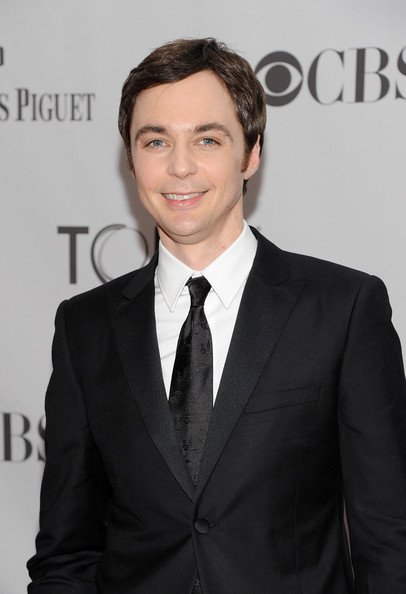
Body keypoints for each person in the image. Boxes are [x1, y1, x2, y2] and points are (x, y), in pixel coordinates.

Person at [27, 38, 406, 594]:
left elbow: (391, 540)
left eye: (207, 139)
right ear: (131, 159)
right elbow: (66, 552)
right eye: (156, 141)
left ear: (250, 153)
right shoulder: (84, 328)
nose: (180, 167)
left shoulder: (343, 309)